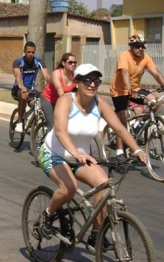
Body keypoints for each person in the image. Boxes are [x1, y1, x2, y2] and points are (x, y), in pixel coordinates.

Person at [37, 63, 147, 248]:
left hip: (81, 157)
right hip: (53, 153)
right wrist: (76, 154)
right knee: (68, 189)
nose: (92, 84)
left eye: (96, 80)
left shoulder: (99, 103)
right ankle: (48, 214)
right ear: (77, 82)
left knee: (104, 185)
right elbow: (61, 132)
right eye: (87, 80)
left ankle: (96, 235)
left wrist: (137, 150)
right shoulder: (66, 100)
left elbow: (119, 128)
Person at [110, 33, 164, 161]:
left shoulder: (145, 57)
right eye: (137, 46)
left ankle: (139, 124)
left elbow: (155, 72)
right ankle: (119, 152)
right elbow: (124, 72)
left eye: (142, 47)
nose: (140, 49)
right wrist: (129, 88)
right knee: (122, 119)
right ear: (131, 47)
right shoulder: (125, 56)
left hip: (135, 89)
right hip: (119, 90)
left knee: (156, 101)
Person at [12, 41, 51, 133]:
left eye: (32, 52)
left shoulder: (38, 61)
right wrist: (21, 86)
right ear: (24, 51)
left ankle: (33, 124)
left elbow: (46, 76)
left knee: (39, 104)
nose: (30, 54)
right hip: (18, 89)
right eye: (28, 52)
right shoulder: (18, 62)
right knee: (24, 95)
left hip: (31, 90)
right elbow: (17, 75)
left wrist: (55, 83)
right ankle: (20, 122)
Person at [41, 52, 76, 131]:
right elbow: (59, 89)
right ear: (63, 63)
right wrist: (66, 103)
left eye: (75, 62)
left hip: (60, 101)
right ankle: (47, 143)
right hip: (48, 100)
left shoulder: (75, 75)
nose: (73, 64)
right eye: (70, 62)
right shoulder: (56, 73)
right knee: (53, 126)